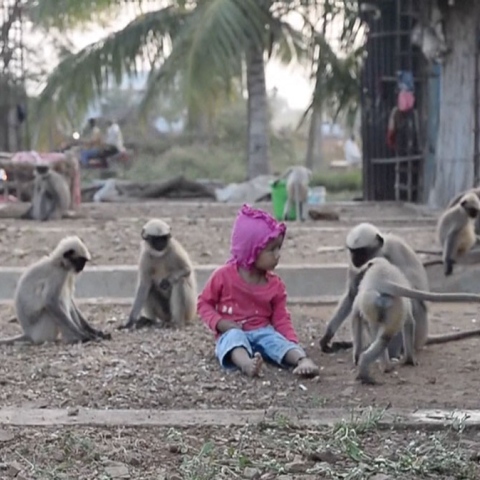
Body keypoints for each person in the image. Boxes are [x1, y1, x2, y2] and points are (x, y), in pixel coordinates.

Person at [197, 204, 319, 378]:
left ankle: (301, 360)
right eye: (271, 250)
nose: (278, 255)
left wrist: (291, 343)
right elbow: (204, 304)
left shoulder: (275, 285)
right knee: (233, 339)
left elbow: (281, 318)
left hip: (262, 331)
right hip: (232, 329)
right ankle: (246, 363)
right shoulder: (223, 276)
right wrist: (219, 323)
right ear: (251, 250)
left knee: (274, 340)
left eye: (279, 248)